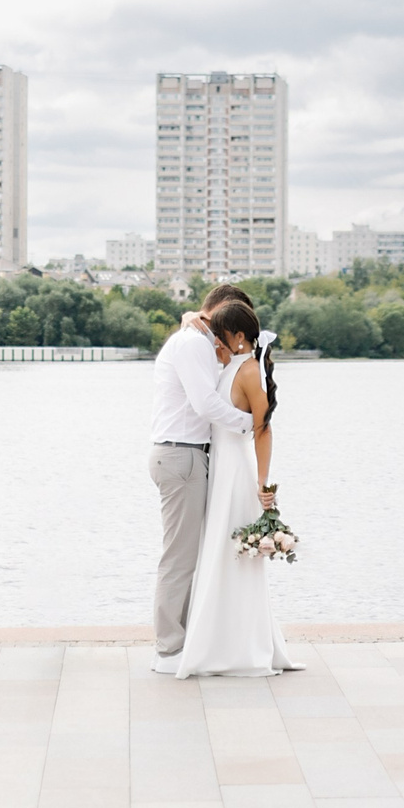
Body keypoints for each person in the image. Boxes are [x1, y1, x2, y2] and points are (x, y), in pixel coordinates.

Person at [169, 297, 299, 678]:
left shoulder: (248, 371)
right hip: (218, 469)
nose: (216, 344)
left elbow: (263, 427)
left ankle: (240, 647)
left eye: (222, 337)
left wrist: (263, 484)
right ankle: (217, 642)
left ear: (240, 337)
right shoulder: (232, 363)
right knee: (217, 555)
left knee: (235, 559)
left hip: (236, 473)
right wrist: (191, 317)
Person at [147, 289, 266, 674]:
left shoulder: (201, 344)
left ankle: (184, 643)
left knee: (190, 555)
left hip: (187, 455)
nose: (225, 335)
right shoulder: (192, 343)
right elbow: (205, 404)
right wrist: (251, 425)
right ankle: (169, 651)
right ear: (214, 312)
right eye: (225, 323)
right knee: (180, 559)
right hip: (181, 455)